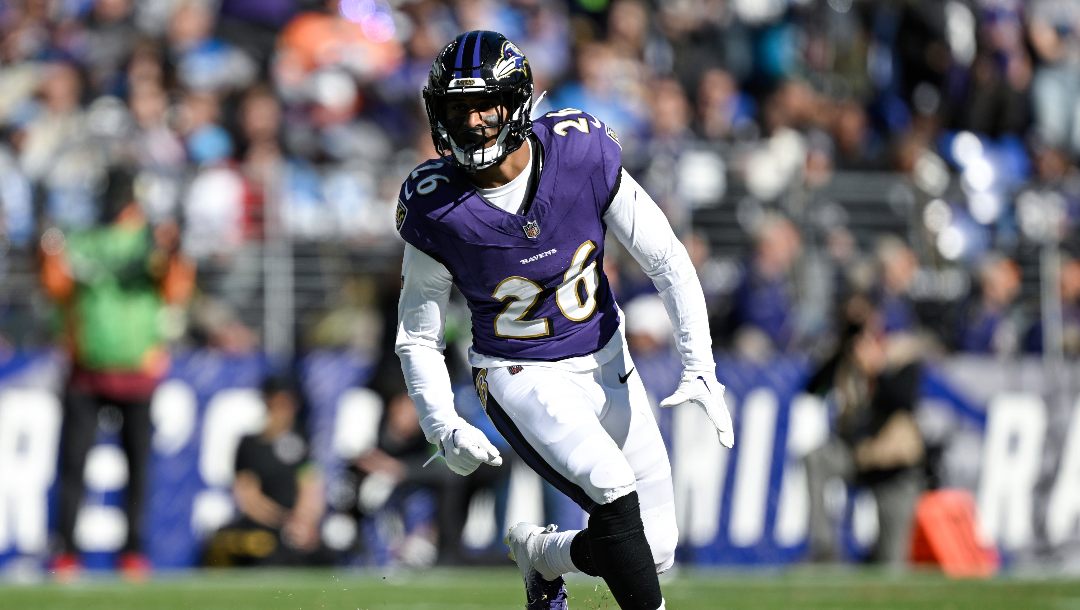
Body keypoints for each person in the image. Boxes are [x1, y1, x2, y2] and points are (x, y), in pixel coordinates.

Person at [394, 30, 734, 610]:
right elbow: (418, 336)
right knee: (612, 487)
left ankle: (542, 555)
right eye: (457, 109)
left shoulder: (579, 153)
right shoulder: (437, 205)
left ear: (517, 102)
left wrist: (700, 363)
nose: (472, 122)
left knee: (653, 550)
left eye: (485, 105)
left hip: (607, 358)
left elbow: (666, 259)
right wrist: (441, 422)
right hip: (518, 370)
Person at [40, 166, 194, 580]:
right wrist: (46, 248)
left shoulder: (149, 240)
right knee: (73, 465)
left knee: (138, 468)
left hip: (138, 369)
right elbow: (55, 287)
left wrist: (175, 251)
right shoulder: (81, 238)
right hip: (86, 369)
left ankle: (134, 553)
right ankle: (66, 552)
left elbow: (174, 289)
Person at [803, 295, 925, 565]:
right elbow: (812, 388)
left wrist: (876, 369)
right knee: (815, 459)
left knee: (890, 562)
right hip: (857, 456)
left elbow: (901, 401)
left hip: (893, 467)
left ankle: (874, 557)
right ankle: (823, 546)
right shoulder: (847, 358)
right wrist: (841, 347)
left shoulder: (902, 355)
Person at [204, 375, 332, 567]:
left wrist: (304, 522)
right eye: (279, 403)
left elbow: (311, 487)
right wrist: (283, 522)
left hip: (296, 527)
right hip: (263, 527)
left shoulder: (302, 443)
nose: (284, 410)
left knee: (323, 555)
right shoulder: (250, 445)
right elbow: (248, 498)